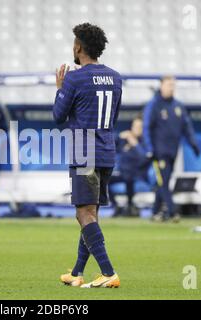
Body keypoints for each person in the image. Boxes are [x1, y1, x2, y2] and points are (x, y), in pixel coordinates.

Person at [54, 23, 122, 288]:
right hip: (106, 150)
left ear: (79, 47)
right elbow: (113, 117)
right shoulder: (115, 77)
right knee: (90, 212)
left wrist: (60, 88)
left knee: (84, 213)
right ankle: (77, 272)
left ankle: (108, 272)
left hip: (84, 151)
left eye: (74, 43)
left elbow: (58, 116)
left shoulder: (75, 78)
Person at [143, 76, 200, 222]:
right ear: (161, 85)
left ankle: (156, 212)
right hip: (158, 152)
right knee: (163, 181)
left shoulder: (178, 106)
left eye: (173, 85)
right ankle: (172, 211)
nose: (171, 87)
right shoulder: (154, 105)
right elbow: (147, 128)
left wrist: (194, 144)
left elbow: (187, 127)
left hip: (173, 151)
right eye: (169, 84)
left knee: (164, 181)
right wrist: (150, 149)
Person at [109, 116, 150, 217]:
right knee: (103, 180)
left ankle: (130, 206)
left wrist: (135, 144)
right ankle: (116, 205)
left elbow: (144, 158)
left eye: (139, 127)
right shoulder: (125, 141)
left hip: (138, 175)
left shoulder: (145, 142)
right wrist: (119, 136)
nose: (136, 129)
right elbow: (109, 142)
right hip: (123, 173)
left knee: (129, 179)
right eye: (135, 126)